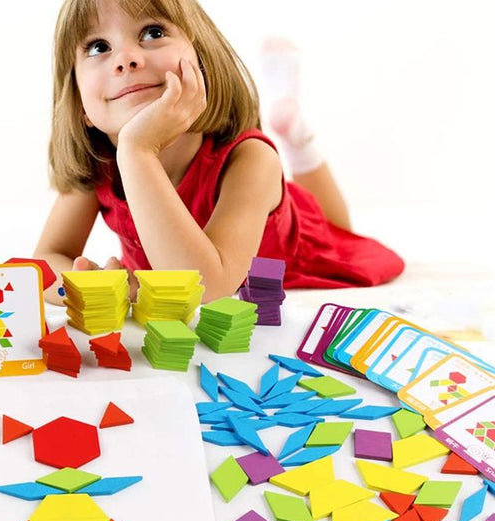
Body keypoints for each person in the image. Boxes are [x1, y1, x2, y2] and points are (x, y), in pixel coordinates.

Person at [34, 0, 404, 306]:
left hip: (296, 252)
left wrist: (137, 150)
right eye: (98, 47)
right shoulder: (99, 166)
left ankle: (297, 141)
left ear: (203, 62)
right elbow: (42, 264)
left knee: (334, 228)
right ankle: (293, 131)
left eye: (153, 33)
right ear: (80, 104)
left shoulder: (251, 159)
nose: (125, 59)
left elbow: (204, 287)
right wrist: (88, 288)